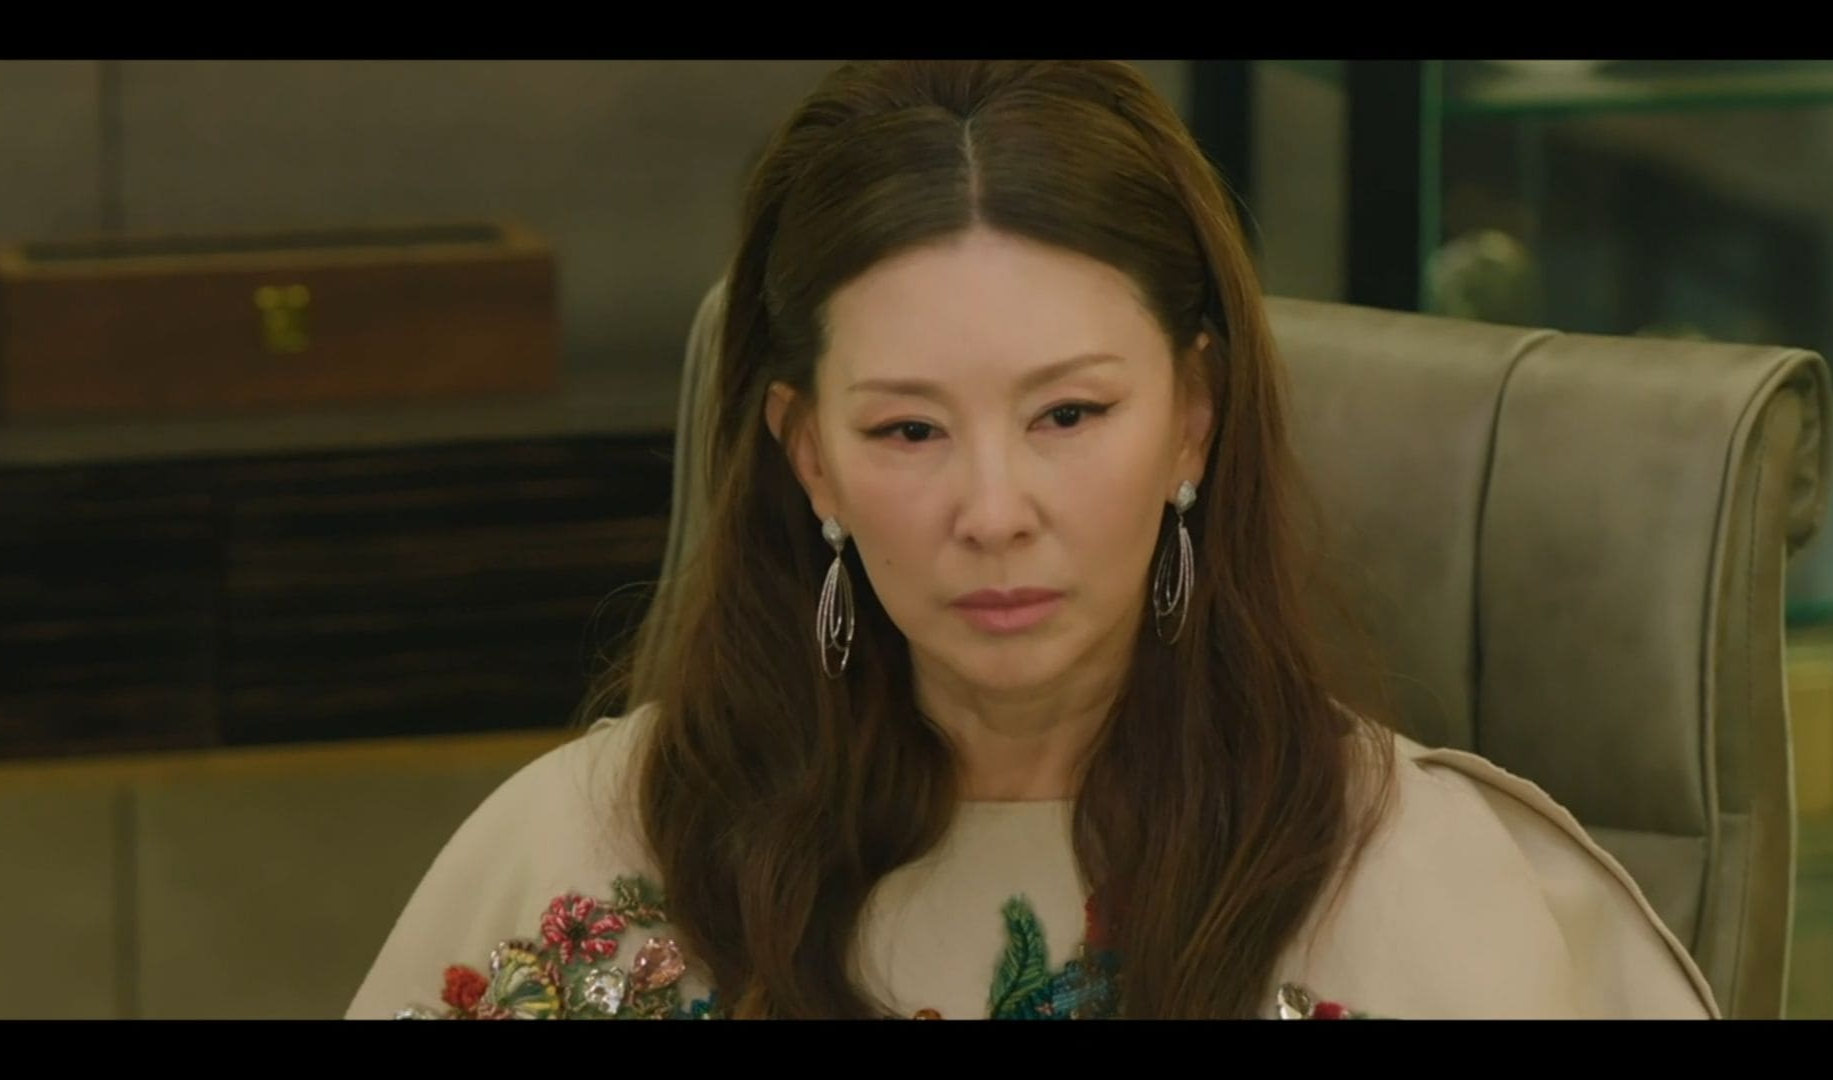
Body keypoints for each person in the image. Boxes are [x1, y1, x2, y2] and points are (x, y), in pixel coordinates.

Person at [346, 59, 1716, 1020]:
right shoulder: (584, 855)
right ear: (809, 456)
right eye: (908, 430)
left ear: (1193, 421)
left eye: (1068, 414)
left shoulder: (1419, 884)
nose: (994, 511)